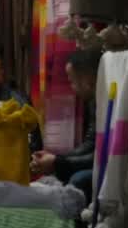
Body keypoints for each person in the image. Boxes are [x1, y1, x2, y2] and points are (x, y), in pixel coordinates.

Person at [31, 49, 100, 198]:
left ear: (88, 79)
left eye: (72, 81)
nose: (72, 88)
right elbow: (90, 143)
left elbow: (99, 155)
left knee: (78, 180)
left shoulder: (104, 100)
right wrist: (56, 158)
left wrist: (58, 162)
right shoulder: (95, 101)